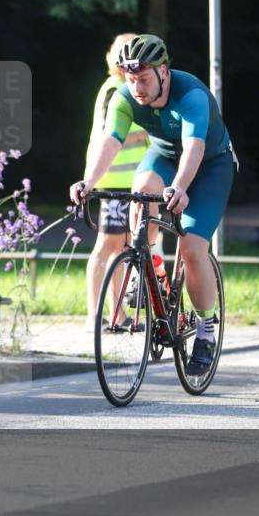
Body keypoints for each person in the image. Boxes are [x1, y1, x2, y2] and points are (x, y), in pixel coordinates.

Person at [69, 34, 238, 376]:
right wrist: (88, 181)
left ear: (163, 71)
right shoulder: (124, 96)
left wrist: (180, 187)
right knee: (141, 191)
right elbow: (110, 140)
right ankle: (149, 266)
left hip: (209, 166)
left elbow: (195, 149)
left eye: (143, 79)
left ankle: (205, 329)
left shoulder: (190, 95)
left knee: (192, 249)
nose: (137, 88)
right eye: (131, 80)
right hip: (162, 156)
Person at [82, 33, 150, 333]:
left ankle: (116, 314)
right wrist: (145, 136)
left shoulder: (125, 88)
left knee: (122, 248)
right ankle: (95, 315)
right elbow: (108, 135)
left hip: (129, 182)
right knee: (107, 246)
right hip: (115, 181)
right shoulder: (114, 90)